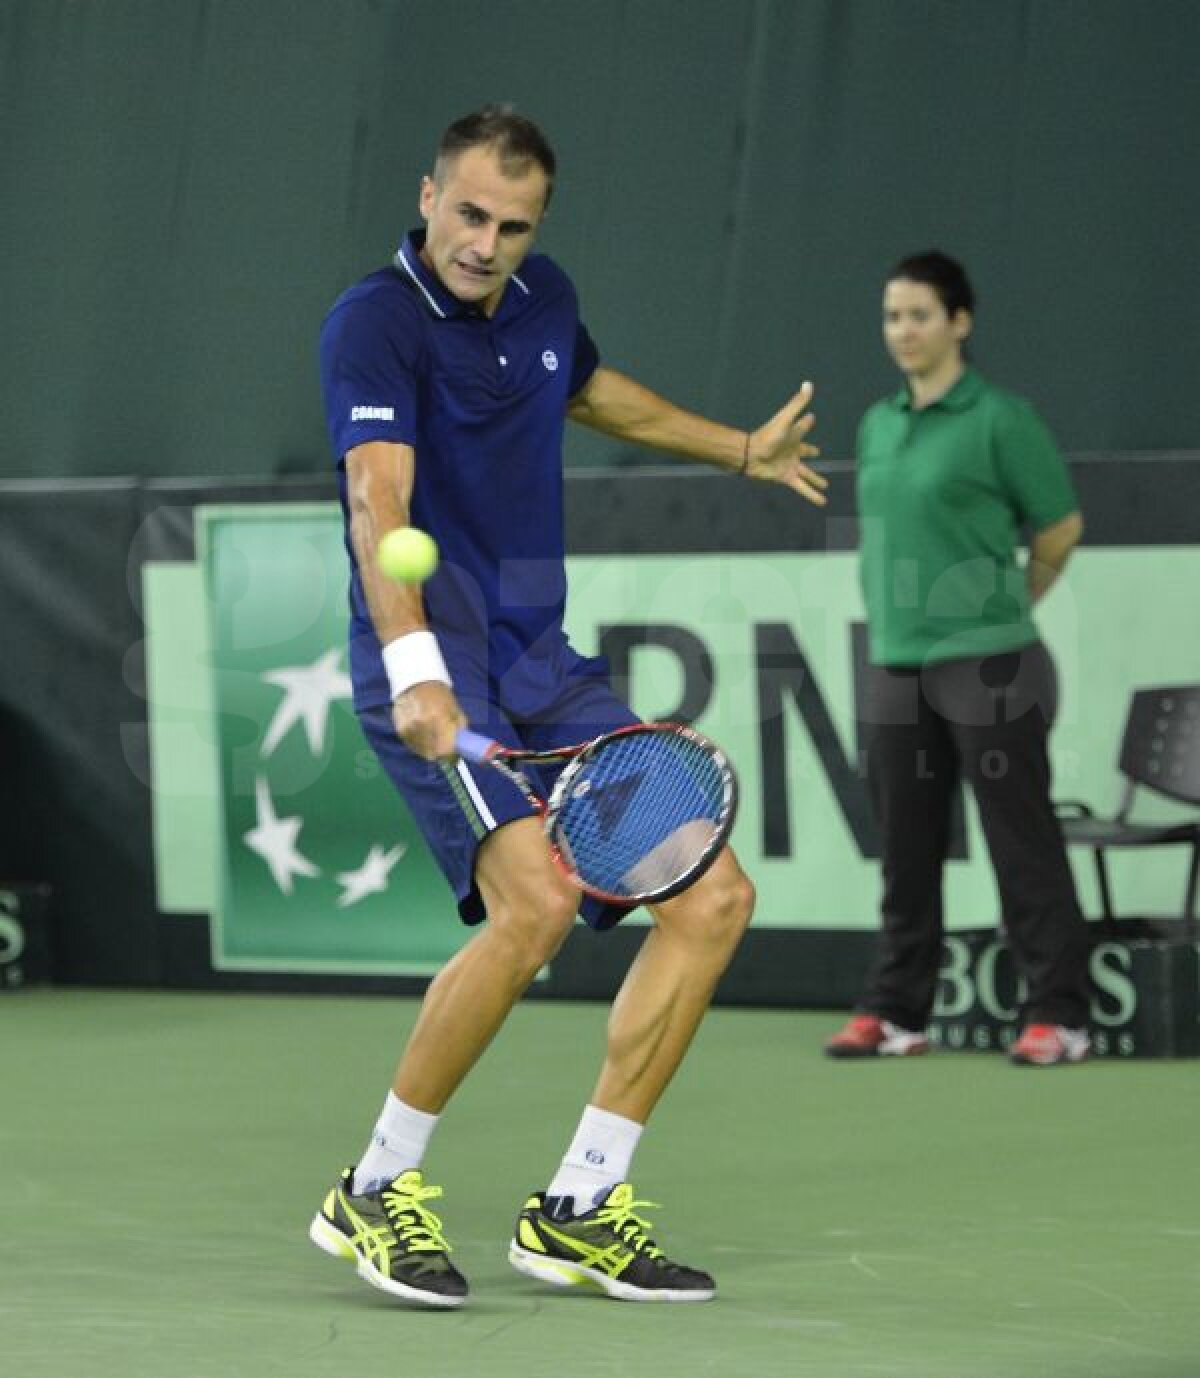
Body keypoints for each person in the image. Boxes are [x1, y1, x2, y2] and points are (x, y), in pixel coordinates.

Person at [311, 105, 827, 1308]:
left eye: (515, 225)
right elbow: (375, 503)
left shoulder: (543, 300)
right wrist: (417, 674)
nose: (488, 243)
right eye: (472, 213)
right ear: (430, 195)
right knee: (535, 903)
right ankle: (375, 1187)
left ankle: (580, 1205)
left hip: (543, 661)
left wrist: (739, 448)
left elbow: (591, 393)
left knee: (714, 897)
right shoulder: (372, 324)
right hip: (440, 662)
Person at [824, 250, 1092, 1068]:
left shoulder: (1000, 419)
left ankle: (1061, 1016)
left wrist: (1005, 607)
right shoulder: (877, 422)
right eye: (892, 317)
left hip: (993, 663)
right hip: (896, 664)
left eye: (919, 316)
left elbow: (1059, 530)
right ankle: (897, 1011)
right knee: (905, 848)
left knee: (1021, 843)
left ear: (960, 323)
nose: (903, 331)